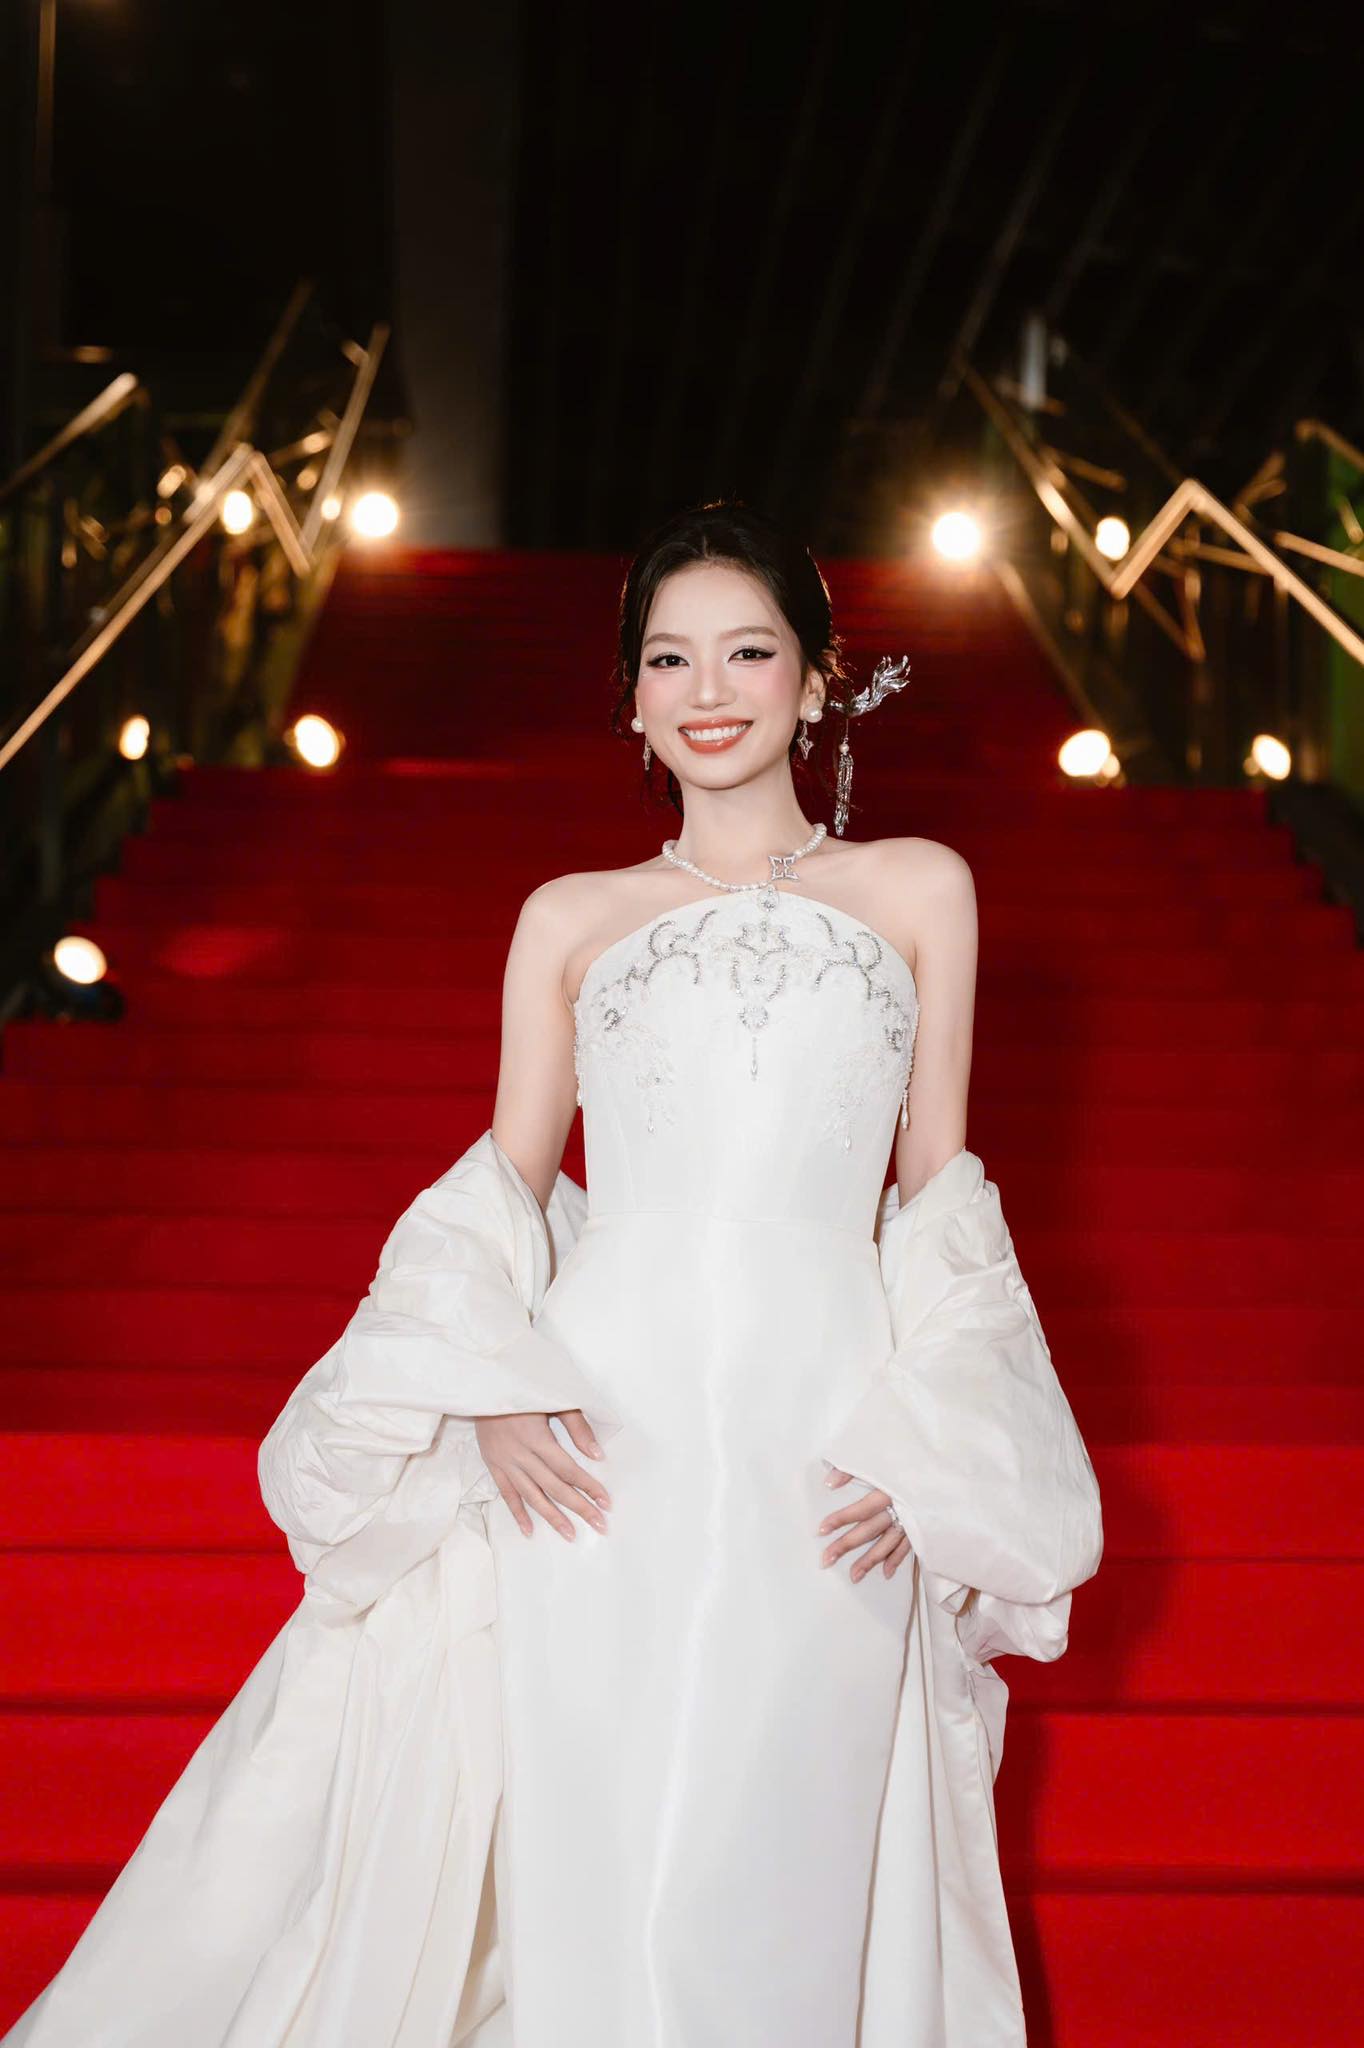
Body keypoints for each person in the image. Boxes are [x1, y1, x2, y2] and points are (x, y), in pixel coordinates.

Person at [4, 500, 1102, 2048]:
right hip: (603, 1432)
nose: (707, 690)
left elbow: (937, 1190)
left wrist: (938, 1443)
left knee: (781, 1841)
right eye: (668, 658)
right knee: (602, 1837)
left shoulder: (921, 888)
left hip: (828, 1430)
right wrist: (486, 1394)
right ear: (632, 696)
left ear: (816, 678)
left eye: (748, 653)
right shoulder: (570, 917)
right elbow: (506, 1186)